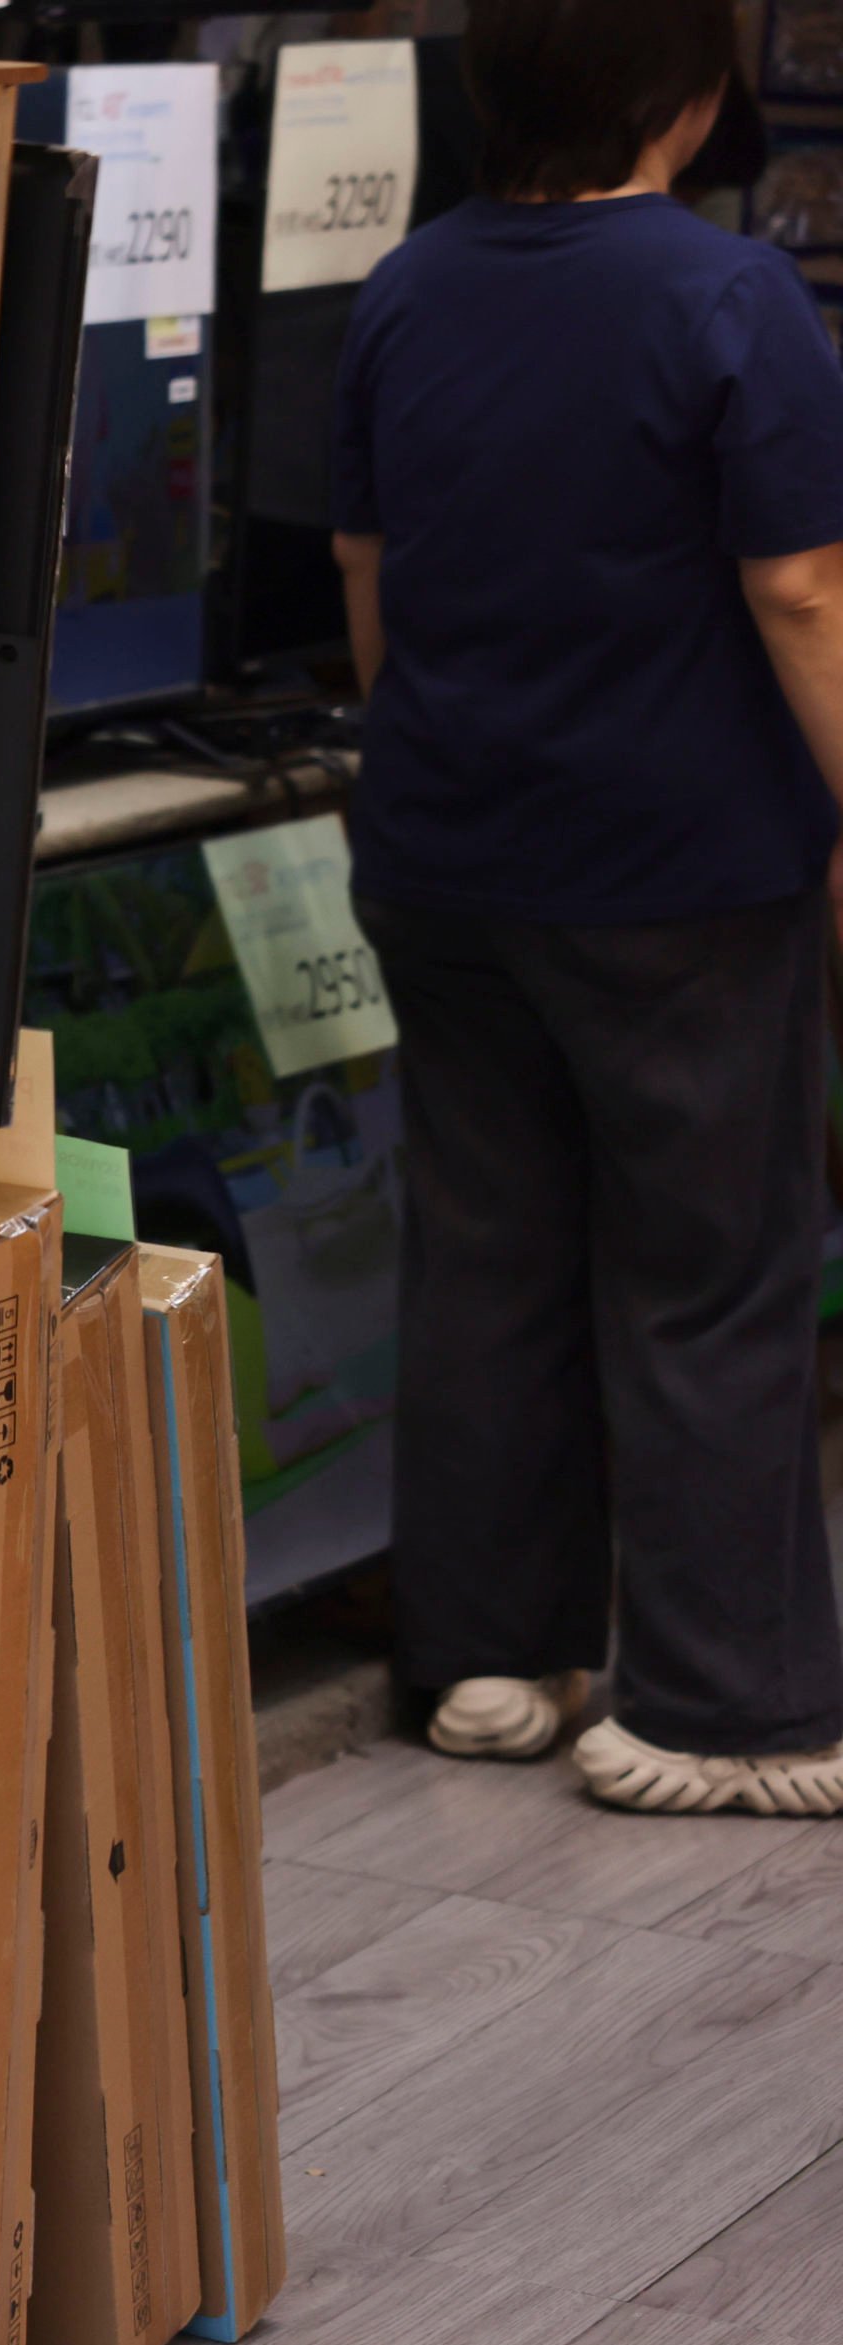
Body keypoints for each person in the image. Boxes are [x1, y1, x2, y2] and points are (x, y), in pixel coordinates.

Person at [332, 0, 843, 1815]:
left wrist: (437, 759)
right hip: (682, 867)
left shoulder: (406, 288)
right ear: (693, 98)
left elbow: (365, 575)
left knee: (486, 1254)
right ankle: (720, 1709)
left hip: (446, 854)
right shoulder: (728, 299)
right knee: (713, 1274)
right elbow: (794, 588)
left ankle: (486, 1657)